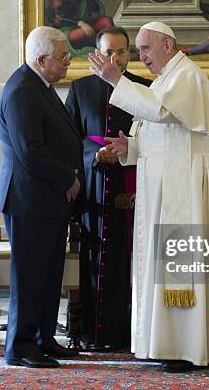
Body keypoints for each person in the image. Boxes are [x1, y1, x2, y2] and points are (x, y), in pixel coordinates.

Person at [88, 21, 209, 372]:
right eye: (138, 51)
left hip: (184, 181)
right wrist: (130, 147)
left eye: (145, 49)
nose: (141, 57)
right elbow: (164, 130)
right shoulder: (167, 78)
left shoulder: (186, 74)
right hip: (168, 179)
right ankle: (170, 343)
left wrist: (114, 80)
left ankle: (188, 348)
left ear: (167, 45)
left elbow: (160, 112)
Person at [0, 26, 84, 368]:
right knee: (30, 277)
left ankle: (43, 339)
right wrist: (68, 178)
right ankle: (20, 348)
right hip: (29, 200)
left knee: (48, 275)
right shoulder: (21, 90)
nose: (67, 63)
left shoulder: (40, 86)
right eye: (63, 58)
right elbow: (30, 151)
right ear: (41, 59)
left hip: (47, 199)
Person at [65, 26, 152, 351]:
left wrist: (126, 151)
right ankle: (91, 333)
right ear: (96, 55)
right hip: (93, 188)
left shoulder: (144, 89)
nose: (114, 59)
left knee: (131, 262)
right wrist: (93, 155)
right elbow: (69, 139)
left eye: (121, 52)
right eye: (108, 52)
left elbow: (154, 137)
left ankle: (134, 334)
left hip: (132, 188)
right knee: (93, 260)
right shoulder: (80, 88)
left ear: (129, 54)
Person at [45, 0, 114, 51]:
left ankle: (110, 44)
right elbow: (60, 21)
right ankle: (99, 42)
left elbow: (95, 13)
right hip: (69, 30)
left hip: (89, 24)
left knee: (107, 21)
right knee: (82, 33)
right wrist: (79, 23)